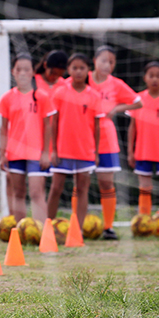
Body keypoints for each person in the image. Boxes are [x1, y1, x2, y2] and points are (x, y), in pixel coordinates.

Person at [80, 46, 142, 240]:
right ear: (94, 60)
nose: (107, 65)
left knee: (106, 184)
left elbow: (138, 102)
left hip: (106, 138)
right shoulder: (84, 77)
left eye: (111, 62)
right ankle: (77, 225)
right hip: (83, 137)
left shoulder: (116, 84)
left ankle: (108, 227)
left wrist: (116, 108)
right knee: (80, 183)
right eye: (103, 60)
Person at [47, 53, 103, 228]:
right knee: (56, 188)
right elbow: (53, 123)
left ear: (88, 71)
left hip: (85, 150)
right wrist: (53, 149)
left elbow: (97, 126)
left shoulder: (94, 96)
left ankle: (77, 230)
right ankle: (48, 227)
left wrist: (96, 151)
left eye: (82, 68)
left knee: (82, 189)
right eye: (74, 68)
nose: (78, 71)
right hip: (63, 150)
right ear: (68, 70)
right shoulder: (60, 92)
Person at [0, 53, 52, 223]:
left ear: (33, 72)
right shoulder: (7, 98)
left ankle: (42, 232)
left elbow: (48, 126)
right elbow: (4, 128)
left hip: (36, 153)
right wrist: (3, 153)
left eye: (26, 69)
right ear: (13, 71)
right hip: (14, 153)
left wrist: (46, 153)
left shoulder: (41, 96)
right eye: (18, 69)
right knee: (18, 193)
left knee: (36, 193)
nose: (22, 73)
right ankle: (20, 232)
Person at [126, 62, 159, 238]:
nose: (154, 79)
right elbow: (132, 127)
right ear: (145, 78)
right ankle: (145, 224)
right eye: (151, 75)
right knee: (144, 188)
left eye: (158, 75)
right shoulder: (138, 100)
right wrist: (130, 151)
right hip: (142, 151)